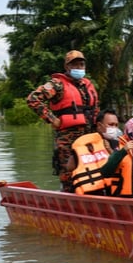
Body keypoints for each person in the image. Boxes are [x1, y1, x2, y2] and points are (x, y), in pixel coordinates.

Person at [27, 50, 99, 192]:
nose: (79, 68)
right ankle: (68, 199)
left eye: (81, 64)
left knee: (92, 170)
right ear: (67, 67)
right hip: (68, 137)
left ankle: (93, 198)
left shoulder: (87, 85)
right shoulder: (57, 84)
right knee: (68, 173)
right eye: (75, 65)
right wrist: (52, 119)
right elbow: (33, 99)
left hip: (89, 137)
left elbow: (95, 109)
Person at [67, 109, 121, 195]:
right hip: (91, 192)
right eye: (111, 125)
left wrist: (111, 152)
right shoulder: (87, 144)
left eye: (116, 125)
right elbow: (70, 167)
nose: (114, 128)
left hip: (114, 190)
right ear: (99, 126)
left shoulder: (119, 144)